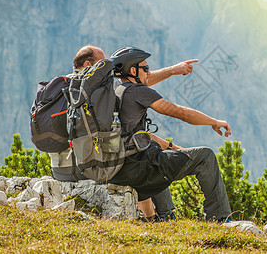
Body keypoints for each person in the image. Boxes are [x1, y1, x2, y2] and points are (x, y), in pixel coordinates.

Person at [49, 45, 198, 220]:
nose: (113, 68)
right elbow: (134, 85)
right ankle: (162, 217)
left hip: (62, 167)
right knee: (145, 157)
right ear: (88, 64)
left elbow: (135, 83)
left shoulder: (70, 90)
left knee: (141, 152)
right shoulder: (94, 91)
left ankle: (155, 218)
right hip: (91, 165)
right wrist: (171, 71)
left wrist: (172, 71)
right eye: (104, 63)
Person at [109, 46, 233, 222]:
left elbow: (141, 136)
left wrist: (173, 70)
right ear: (133, 70)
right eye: (146, 69)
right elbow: (181, 113)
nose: (149, 73)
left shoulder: (118, 91)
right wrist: (214, 121)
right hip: (137, 169)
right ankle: (220, 218)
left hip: (120, 168)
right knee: (205, 156)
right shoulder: (138, 92)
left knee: (157, 156)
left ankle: (166, 217)